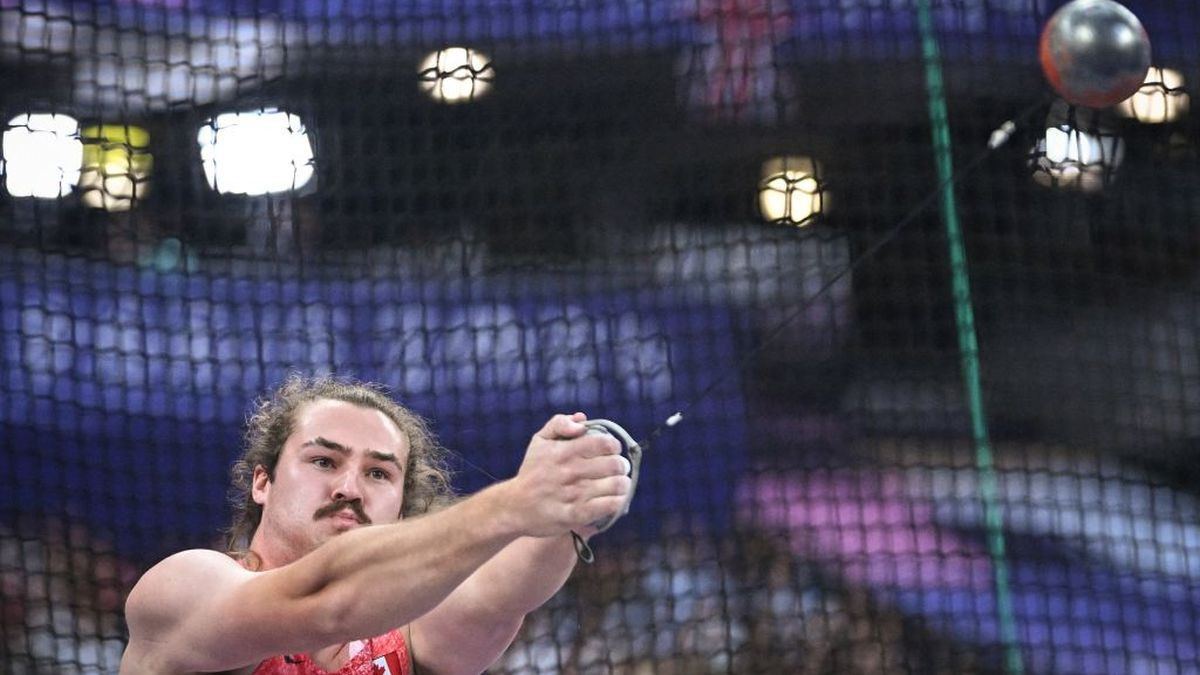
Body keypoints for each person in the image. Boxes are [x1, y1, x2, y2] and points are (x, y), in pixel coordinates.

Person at [119, 374, 632, 674]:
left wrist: (575, 509)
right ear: (262, 483)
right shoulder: (185, 587)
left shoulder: (405, 636)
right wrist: (517, 501)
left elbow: (498, 598)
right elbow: (329, 603)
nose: (349, 488)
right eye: (323, 461)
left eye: (379, 473)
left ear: (401, 507)